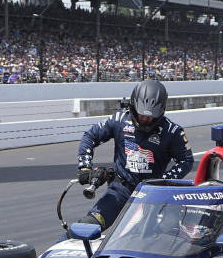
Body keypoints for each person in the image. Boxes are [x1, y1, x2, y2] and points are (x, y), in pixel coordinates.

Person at [75, 79, 193, 229]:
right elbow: (90, 137)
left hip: (153, 193)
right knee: (89, 225)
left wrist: (163, 181)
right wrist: (85, 167)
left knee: (157, 232)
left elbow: (186, 160)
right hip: (121, 189)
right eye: (141, 114)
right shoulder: (119, 120)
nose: (145, 119)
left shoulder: (172, 131)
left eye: (151, 116)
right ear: (132, 106)